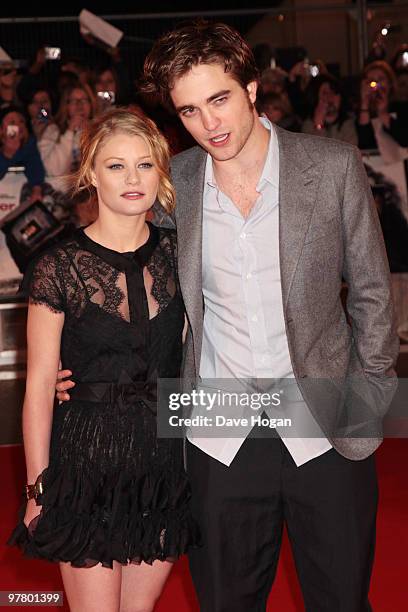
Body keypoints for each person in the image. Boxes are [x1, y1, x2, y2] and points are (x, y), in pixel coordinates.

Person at [57, 21, 398, 612]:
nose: (209, 124)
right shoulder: (175, 185)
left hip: (325, 424)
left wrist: (364, 407)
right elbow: (113, 255)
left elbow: (373, 295)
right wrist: (76, 359)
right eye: (189, 111)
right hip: (220, 432)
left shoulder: (333, 168)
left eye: (219, 100)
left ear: (250, 88)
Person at [9, 107, 200, 612]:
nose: (132, 179)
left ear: (161, 172)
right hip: (85, 464)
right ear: (92, 173)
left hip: (162, 466)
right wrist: (37, 488)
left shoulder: (183, 256)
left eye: (144, 165)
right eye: (116, 166)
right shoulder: (58, 266)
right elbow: (38, 390)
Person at [301, 73, 358, 144]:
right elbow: (313, 152)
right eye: (325, 93)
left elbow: (350, 151)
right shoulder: (308, 125)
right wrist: (318, 125)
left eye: (334, 92)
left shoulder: (348, 123)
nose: (330, 97)